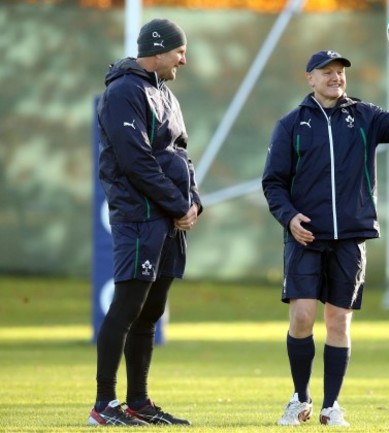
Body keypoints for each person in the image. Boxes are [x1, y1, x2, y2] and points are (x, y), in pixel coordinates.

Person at [262, 45, 389, 427]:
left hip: (350, 236)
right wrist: (289, 217)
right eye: (326, 71)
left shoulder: (365, 116)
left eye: (340, 71)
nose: (335, 77)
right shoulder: (291, 124)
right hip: (305, 237)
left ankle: (331, 406)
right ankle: (299, 399)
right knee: (301, 317)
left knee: (338, 321)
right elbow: (273, 183)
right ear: (309, 78)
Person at [87, 18, 201, 426]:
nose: (183, 60)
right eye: (179, 51)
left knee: (151, 312)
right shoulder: (122, 93)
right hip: (139, 216)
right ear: (157, 50)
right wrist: (177, 204)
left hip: (167, 220)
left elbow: (182, 155)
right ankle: (104, 405)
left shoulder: (165, 94)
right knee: (126, 308)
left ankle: (138, 403)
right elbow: (137, 161)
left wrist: (194, 203)